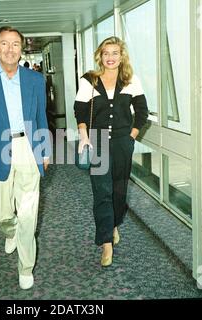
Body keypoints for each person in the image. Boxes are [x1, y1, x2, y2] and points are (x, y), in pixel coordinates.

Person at [0, 26, 51, 290]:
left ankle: (25, 267)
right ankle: (10, 230)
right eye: (4, 44)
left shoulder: (35, 80)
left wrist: (44, 149)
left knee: (29, 214)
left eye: (15, 44)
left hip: (27, 147)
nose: (10, 49)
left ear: (22, 48)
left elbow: (41, 118)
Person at [74, 36, 148, 267]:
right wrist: (84, 135)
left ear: (121, 56)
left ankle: (114, 223)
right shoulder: (89, 80)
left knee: (118, 191)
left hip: (122, 143)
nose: (110, 58)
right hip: (97, 142)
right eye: (106, 53)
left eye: (115, 53)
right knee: (102, 192)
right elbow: (81, 111)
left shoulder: (131, 80)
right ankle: (106, 243)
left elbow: (142, 112)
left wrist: (131, 137)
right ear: (100, 56)